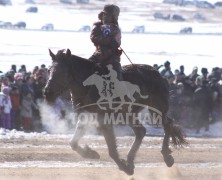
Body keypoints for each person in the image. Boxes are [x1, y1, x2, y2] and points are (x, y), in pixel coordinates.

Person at [89, 4, 122, 80]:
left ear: (113, 18)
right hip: (98, 55)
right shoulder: (97, 27)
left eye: (109, 16)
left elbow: (116, 43)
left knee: (117, 75)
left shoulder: (115, 29)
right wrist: (108, 40)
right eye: (104, 14)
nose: (106, 17)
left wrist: (107, 40)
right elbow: (94, 38)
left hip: (112, 57)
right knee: (85, 68)